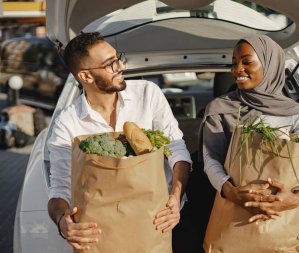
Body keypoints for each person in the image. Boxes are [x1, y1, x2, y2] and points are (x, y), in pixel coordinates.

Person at [47, 32, 192, 251]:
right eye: (110, 64)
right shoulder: (67, 123)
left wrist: (175, 198)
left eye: (118, 58)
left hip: (161, 222)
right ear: (86, 76)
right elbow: (59, 187)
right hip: (104, 233)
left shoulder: (148, 94)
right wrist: (61, 222)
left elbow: (176, 148)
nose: (121, 67)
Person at [201, 34, 299, 249]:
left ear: (269, 64)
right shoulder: (219, 110)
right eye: (234, 63)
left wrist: (297, 198)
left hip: (280, 219)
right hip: (231, 214)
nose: (237, 69)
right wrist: (229, 191)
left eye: (246, 61)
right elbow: (210, 158)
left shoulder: (294, 115)